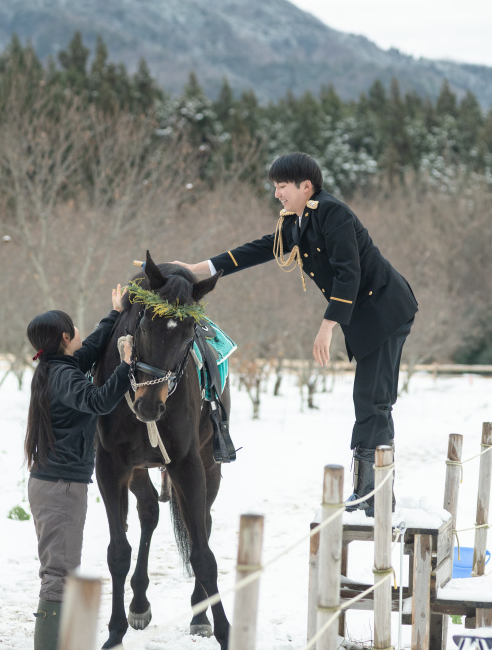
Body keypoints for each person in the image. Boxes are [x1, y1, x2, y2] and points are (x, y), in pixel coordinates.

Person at [173, 153, 417, 516]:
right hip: (365, 317)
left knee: (374, 401)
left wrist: (327, 326)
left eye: (282, 187)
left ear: (306, 186)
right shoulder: (299, 221)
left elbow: (349, 273)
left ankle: (374, 493)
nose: (277, 195)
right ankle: (370, 490)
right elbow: (260, 249)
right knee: (369, 400)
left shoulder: (333, 213)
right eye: (275, 187)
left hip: (385, 311)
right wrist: (200, 268)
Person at [25, 286, 132, 650]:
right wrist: (126, 366)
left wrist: (113, 313)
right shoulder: (63, 378)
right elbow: (99, 401)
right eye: (75, 329)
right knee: (59, 572)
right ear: (66, 337)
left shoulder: (57, 368)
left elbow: (86, 356)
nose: (80, 335)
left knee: (60, 568)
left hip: (55, 484)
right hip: (60, 487)